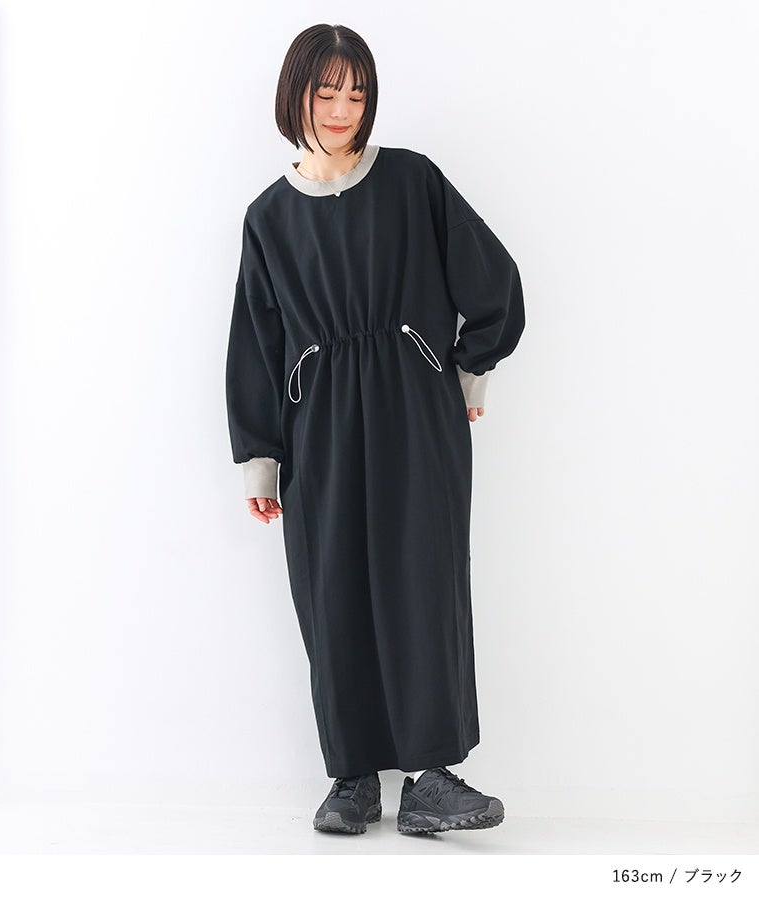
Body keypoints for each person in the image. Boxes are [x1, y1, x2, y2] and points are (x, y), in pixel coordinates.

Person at [225, 23, 525, 836]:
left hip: (415, 410)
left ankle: (431, 778)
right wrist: (260, 457)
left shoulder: (411, 180)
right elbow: (256, 344)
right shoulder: (268, 217)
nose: (341, 109)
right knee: (332, 588)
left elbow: (493, 280)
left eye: (356, 94)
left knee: (422, 579)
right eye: (326, 91)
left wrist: (466, 369)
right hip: (318, 423)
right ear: (295, 94)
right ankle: (352, 776)